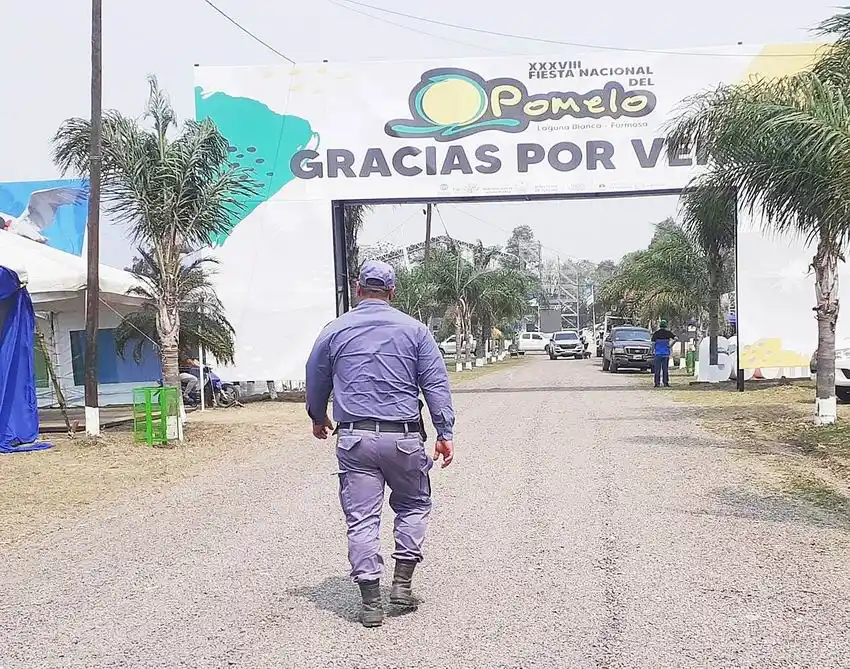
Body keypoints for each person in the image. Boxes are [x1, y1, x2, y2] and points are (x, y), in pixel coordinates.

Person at [305, 260, 455, 628]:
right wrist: (444, 432)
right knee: (415, 504)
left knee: (361, 519)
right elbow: (434, 384)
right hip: (403, 438)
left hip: (355, 439)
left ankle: (371, 603)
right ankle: (401, 586)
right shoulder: (416, 331)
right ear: (392, 292)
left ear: (358, 289)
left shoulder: (335, 330)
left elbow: (315, 374)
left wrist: (317, 415)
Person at [651, 319, 676, 387]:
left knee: (657, 370)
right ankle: (665, 383)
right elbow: (676, 338)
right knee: (665, 369)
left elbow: (653, 344)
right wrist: (670, 345)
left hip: (657, 354)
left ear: (660, 325)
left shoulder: (656, 333)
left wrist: (652, 351)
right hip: (665, 354)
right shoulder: (668, 333)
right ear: (665, 326)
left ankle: (657, 383)